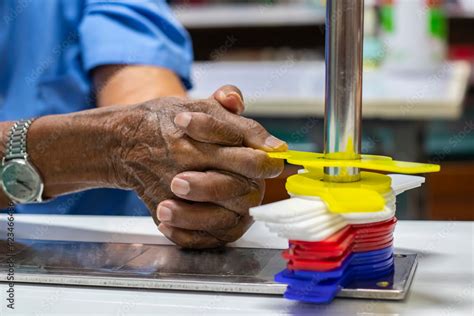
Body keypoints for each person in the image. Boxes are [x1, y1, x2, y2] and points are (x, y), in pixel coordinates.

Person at [0, 0, 287, 248]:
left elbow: (140, 84)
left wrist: (189, 148)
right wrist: (116, 144)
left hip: (100, 256)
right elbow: (132, 134)